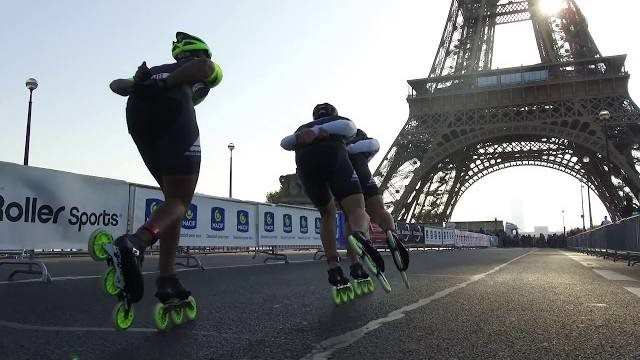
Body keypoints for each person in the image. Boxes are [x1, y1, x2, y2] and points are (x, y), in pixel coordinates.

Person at [108, 32, 222, 307]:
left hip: (138, 114)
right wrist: (167, 85)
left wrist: (140, 84)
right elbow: (206, 70)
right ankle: (136, 242)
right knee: (180, 202)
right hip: (173, 112)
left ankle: (167, 277)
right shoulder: (201, 64)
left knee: (172, 204)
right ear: (202, 51)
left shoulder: (156, 71)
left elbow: (115, 85)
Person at [280, 103, 387, 302]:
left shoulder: (302, 129)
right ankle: (358, 248)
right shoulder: (342, 125)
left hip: (306, 162)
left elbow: (285, 143)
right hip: (334, 155)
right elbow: (360, 137)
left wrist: (310, 134)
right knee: (355, 210)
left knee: (327, 214)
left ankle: (333, 267)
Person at [345, 129, 409, 286]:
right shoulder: (358, 136)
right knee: (380, 210)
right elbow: (372, 148)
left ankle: (355, 262)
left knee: (353, 214)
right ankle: (392, 234)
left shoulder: (331, 137)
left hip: (345, 174)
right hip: (364, 172)